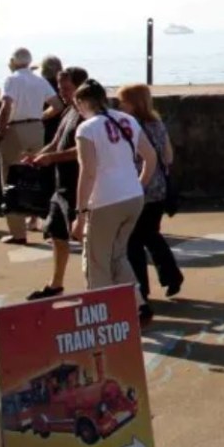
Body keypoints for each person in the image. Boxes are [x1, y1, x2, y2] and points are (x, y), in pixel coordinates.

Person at [71, 79, 159, 319]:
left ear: (81, 102)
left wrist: (79, 214)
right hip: (132, 196)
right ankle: (139, 304)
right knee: (118, 255)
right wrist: (138, 185)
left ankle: (99, 314)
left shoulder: (87, 129)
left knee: (96, 260)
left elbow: (88, 172)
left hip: (105, 200)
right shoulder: (127, 119)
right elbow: (150, 157)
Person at [23, 66, 88, 300]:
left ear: (81, 86)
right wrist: (39, 156)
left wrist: (52, 158)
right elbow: (57, 142)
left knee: (85, 238)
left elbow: (80, 151)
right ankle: (56, 284)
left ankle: (98, 285)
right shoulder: (69, 111)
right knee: (57, 234)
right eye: (60, 89)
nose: (62, 93)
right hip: (60, 186)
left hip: (78, 185)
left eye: (67, 89)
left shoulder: (87, 114)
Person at [120, 84, 185, 304]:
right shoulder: (157, 123)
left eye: (123, 101)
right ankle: (171, 276)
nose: (120, 106)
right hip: (158, 189)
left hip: (138, 186)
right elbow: (168, 156)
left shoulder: (130, 126)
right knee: (152, 235)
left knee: (133, 241)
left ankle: (142, 289)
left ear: (133, 103)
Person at [0, 48, 58, 244]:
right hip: (36, 128)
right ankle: (39, 219)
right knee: (36, 175)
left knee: (11, 178)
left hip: (16, 129)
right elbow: (57, 106)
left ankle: (18, 232)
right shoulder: (39, 80)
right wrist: (40, 117)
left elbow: (6, 106)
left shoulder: (12, 79)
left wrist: (0, 130)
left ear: (13, 62)